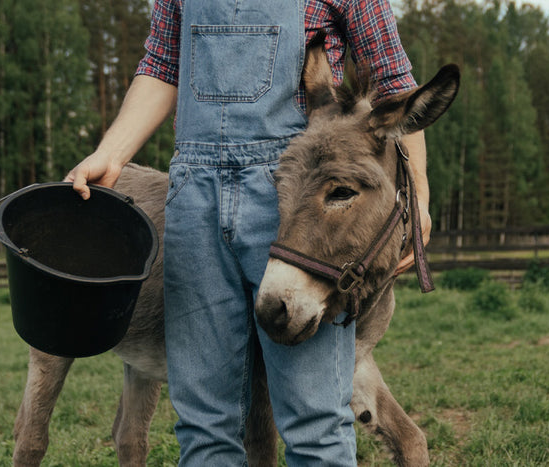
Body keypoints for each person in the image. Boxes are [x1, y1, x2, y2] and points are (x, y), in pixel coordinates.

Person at [62, 0, 430, 465]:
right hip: (194, 202)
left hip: (294, 199)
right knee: (205, 426)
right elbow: (161, 62)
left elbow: (394, 77)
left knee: (314, 422)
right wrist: (110, 153)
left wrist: (417, 194)